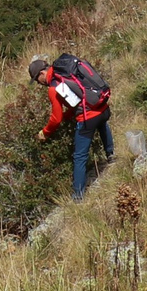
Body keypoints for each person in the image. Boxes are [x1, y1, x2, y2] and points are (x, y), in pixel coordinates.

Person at [33, 50, 114, 198]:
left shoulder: (53, 87)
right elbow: (77, 101)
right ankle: (110, 155)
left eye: (38, 81)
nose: (40, 84)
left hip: (87, 119)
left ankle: (78, 194)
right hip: (103, 107)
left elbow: (55, 119)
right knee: (102, 123)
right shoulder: (67, 71)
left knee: (79, 156)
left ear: (42, 74)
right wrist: (67, 116)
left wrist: (45, 132)